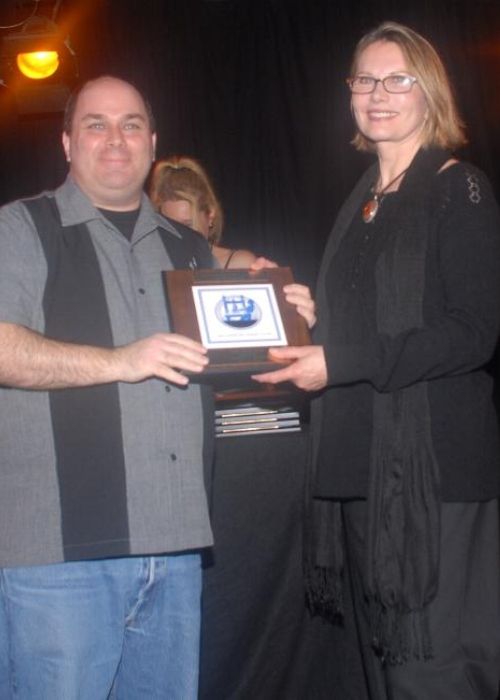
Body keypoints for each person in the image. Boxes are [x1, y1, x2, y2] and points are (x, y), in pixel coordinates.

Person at [253, 21, 500, 699]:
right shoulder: (363, 198)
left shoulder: (460, 189)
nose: (378, 92)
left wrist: (339, 359)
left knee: (435, 672)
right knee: (387, 670)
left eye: (398, 78)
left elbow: (473, 334)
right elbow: (372, 326)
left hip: (433, 478)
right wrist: (313, 315)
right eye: (364, 79)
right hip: (363, 469)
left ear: (431, 93)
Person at [0, 75, 215, 700]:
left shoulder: (191, 247)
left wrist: (289, 316)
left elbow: (231, 360)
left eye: (131, 125)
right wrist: (124, 360)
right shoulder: (20, 228)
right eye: (95, 124)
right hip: (58, 558)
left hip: (176, 549)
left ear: (153, 142)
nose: (115, 139)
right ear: (67, 142)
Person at [150, 155, 257, 268]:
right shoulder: (156, 267)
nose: (179, 236)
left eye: (187, 226)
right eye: (170, 228)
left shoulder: (238, 265)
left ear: (210, 214)